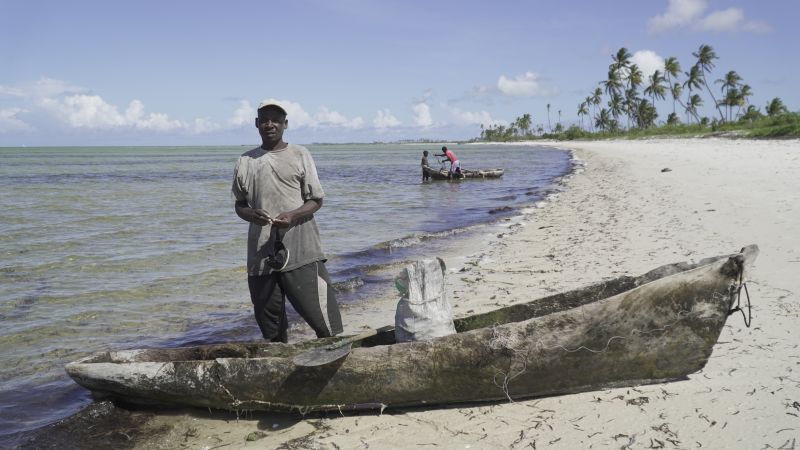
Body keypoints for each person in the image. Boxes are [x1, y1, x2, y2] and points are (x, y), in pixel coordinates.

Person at [231, 100, 343, 343]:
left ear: (285, 124)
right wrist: (252, 214)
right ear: (256, 124)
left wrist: (292, 216)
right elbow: (240, 205)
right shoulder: (245, 161)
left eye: (276, 119)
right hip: (261, 257)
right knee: (272, 332)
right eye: (264, 119)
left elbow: (316, 200)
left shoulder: (300, 154)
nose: (269, 124)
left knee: (326, 324)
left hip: (302, 250)